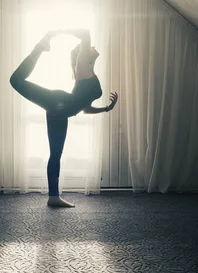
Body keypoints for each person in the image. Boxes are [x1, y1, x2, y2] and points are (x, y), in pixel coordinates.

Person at [9, 29, 119, 208]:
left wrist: (107, 108)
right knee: (15, 80)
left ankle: (53, 197)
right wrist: (57, 31)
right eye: (88, 46)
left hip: (61, 112)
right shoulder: (83, 65)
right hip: (57, 102)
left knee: (55, 155)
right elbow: (85, 34)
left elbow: (85, 109)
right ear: (82, 54)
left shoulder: (87, 71)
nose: (93, 46)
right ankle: (40, 47)